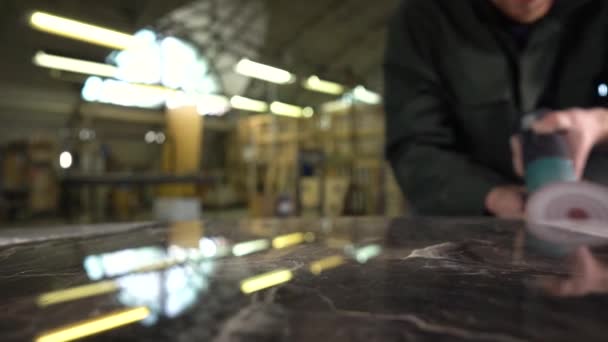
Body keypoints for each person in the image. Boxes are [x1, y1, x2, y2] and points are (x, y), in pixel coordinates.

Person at [384, 0, 608, 218]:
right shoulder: (425, 17)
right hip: (468, 224)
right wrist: (490, 196)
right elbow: (413, 144)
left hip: (593, 217)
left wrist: (598, 124)